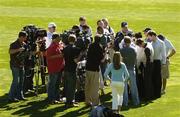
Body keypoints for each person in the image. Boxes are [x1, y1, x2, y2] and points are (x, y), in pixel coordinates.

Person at [85, 35, 105, 107]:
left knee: (88, 86)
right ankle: (95, 102)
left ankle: (87, 101)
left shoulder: (90, 45)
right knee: (95, 87)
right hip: (94, 69)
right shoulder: (100, 47)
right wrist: (105, 53)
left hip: (88, 68)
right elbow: (102, 60)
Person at [63, 34, 82, 108]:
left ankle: (69, 101)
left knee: (67, 86)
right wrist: (80, 55)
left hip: (66, 68)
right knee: (72, 87)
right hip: (72, 69)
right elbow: (76, 60)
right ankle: (70, 102)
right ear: (75, 40)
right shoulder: (74, 49)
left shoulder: (65, 48)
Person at [8, 31, 28, 102]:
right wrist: (18, 50)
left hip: (21, 65)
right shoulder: (14, 44)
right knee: (16, 81)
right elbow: (10, 52)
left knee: (21, 81)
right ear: (21, 37)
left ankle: (20, 96)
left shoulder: (24, 44)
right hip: (15, 65)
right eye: (25, 37)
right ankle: (11, 97)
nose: (25, 39)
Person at [120, 36, 140, 106]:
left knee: (124, 87)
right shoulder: (134, 50)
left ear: (124, 42)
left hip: (124, 70)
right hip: (132, 69)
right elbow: (135, 60)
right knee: (133, 87)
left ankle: (125, 102)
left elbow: (121, 61)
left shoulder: (122, 50)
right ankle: (136, 101)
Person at [147, 31, 166, 99]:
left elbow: (164, 54)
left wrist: (164, 63)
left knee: (158, 77)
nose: (148, 38)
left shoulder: (161, 43)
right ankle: (154, 92)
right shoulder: (151, 43)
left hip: (158, 61)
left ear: (153, 36)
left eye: (149, 36)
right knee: (153, 77)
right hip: (152, 62)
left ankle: (158, 93)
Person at [46, 33, 64, 104]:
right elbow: (49, 57)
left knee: (57, 84)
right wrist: (59, 56)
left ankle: (57, 98)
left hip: (59, 68)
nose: (60, 39)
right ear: (55, 39)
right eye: (58, 38)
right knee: (52, 84)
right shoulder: (52, 47)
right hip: (54, 68)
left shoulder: (58, 45)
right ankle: (51, 99)